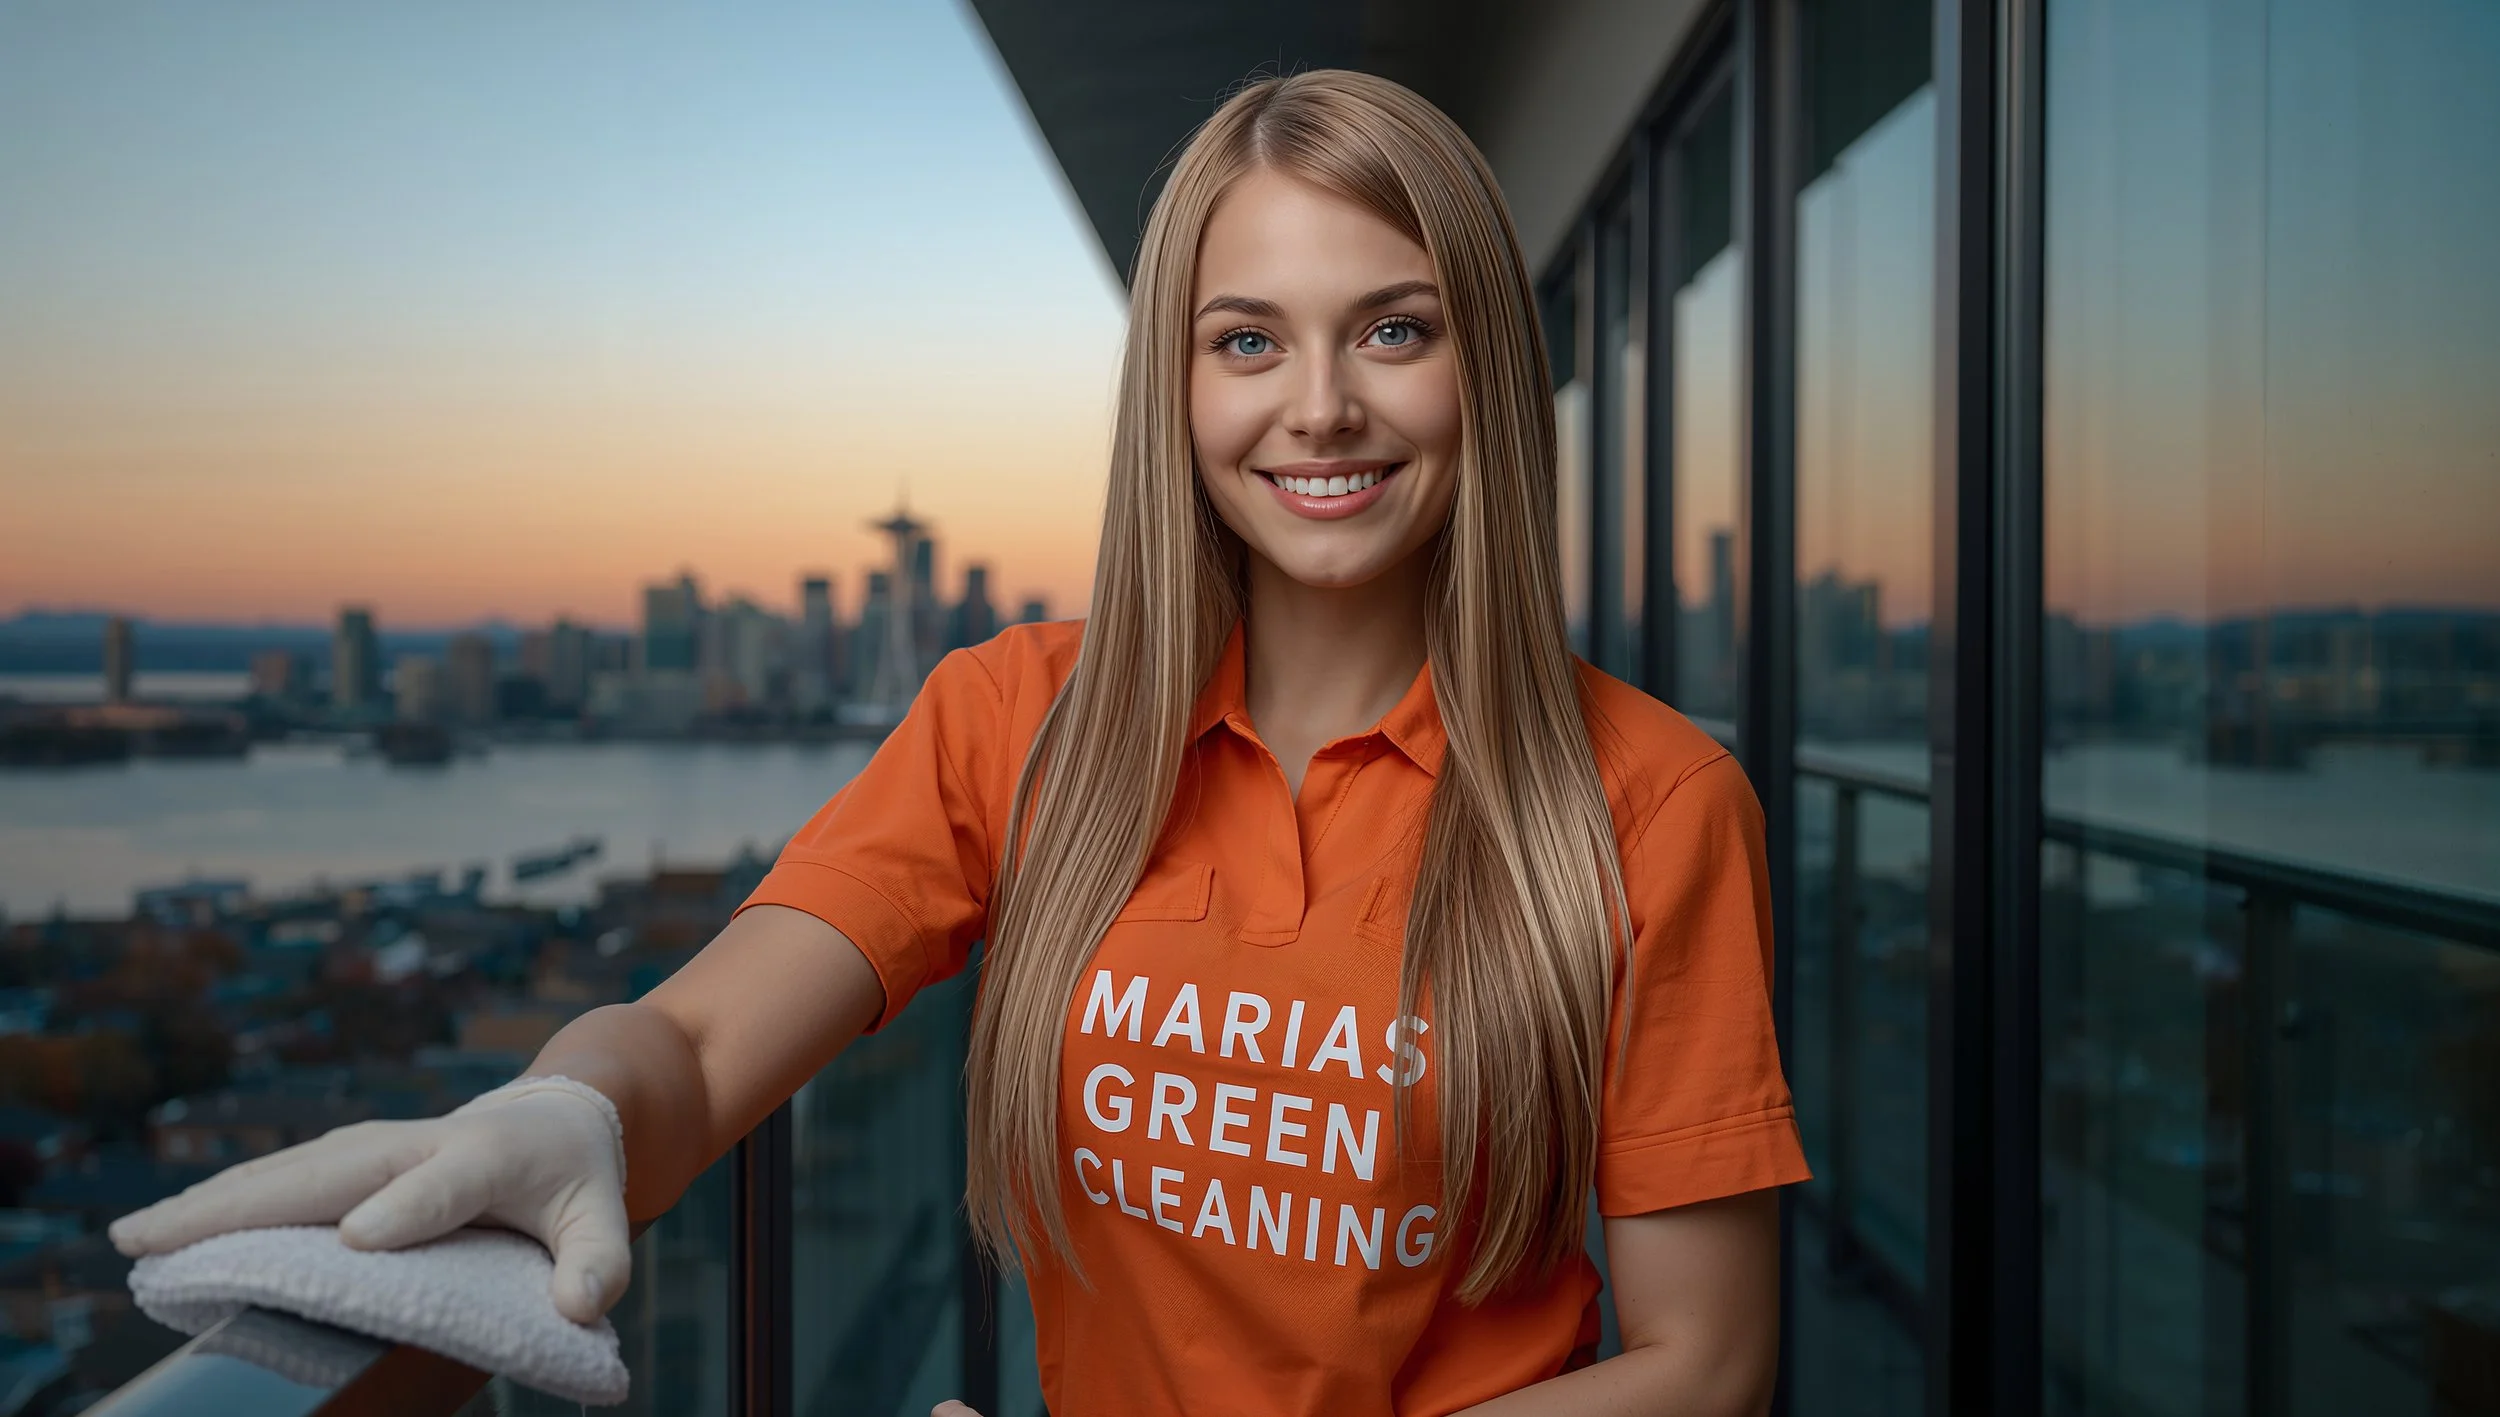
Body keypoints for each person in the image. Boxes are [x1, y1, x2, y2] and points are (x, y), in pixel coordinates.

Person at [110, 69, 1807, 1416]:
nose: (1320, 409)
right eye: (1247, 342)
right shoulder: (1016, 720)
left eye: (1392, 327)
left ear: (1480, 371)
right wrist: (573, 1118)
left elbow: (1705, 1361)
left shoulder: (1650, 802)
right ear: (1179, 388)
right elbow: (702, 1046)